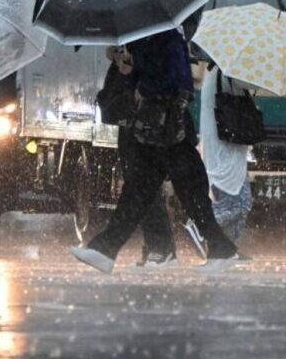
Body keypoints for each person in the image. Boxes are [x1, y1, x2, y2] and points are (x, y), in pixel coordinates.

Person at [72, 28, 239, 274]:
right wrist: (127, 68)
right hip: (153, 133)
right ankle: (105, 249)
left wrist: (144, 85)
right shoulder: (146, 39)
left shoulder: (169, 38)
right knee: (140, 192)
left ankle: (220, 247)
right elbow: (138, 79)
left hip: (169, 130)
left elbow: (178, 80)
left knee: (183, 192)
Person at [102, 47, 177, 267]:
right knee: (140, 185)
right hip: (129, 123)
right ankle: (156, 246)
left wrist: (133, 65)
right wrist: (118, 60)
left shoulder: (156, 40)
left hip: (146, 123)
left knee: (145, 186)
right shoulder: (132, 36)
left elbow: (159, 77)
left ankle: (161, 247)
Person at [200, 68, 253, 242]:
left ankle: (227, 247)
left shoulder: (219, 77)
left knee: (238, 201)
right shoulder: (225, 76)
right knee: (239, 203)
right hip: (224, 152)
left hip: (230, 150)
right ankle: (203, 225)